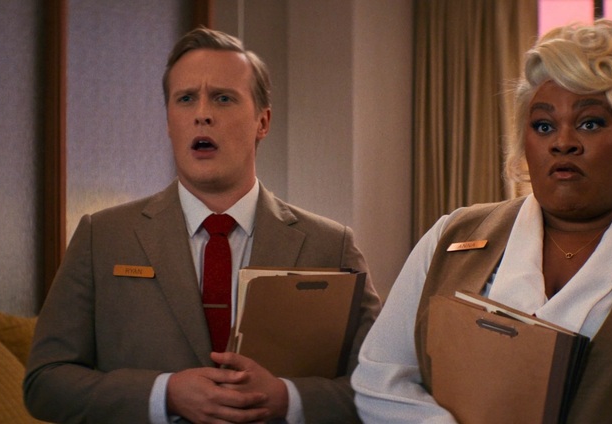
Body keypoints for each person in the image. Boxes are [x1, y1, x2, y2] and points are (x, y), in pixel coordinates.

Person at [351, 19, 612, 424]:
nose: (563, 142)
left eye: (590, 123)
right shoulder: (452, 235)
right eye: (543, 125)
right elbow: (380, 378)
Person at [24, 28, 381, 424]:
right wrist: (165, 394)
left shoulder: (330, 245)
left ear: (262, 122)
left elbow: (382, 388)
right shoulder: (103, 236)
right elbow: (45, 383)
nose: (202, 113)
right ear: (169, 121)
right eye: (186, 98)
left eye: (223, 98)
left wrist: (287, 398)